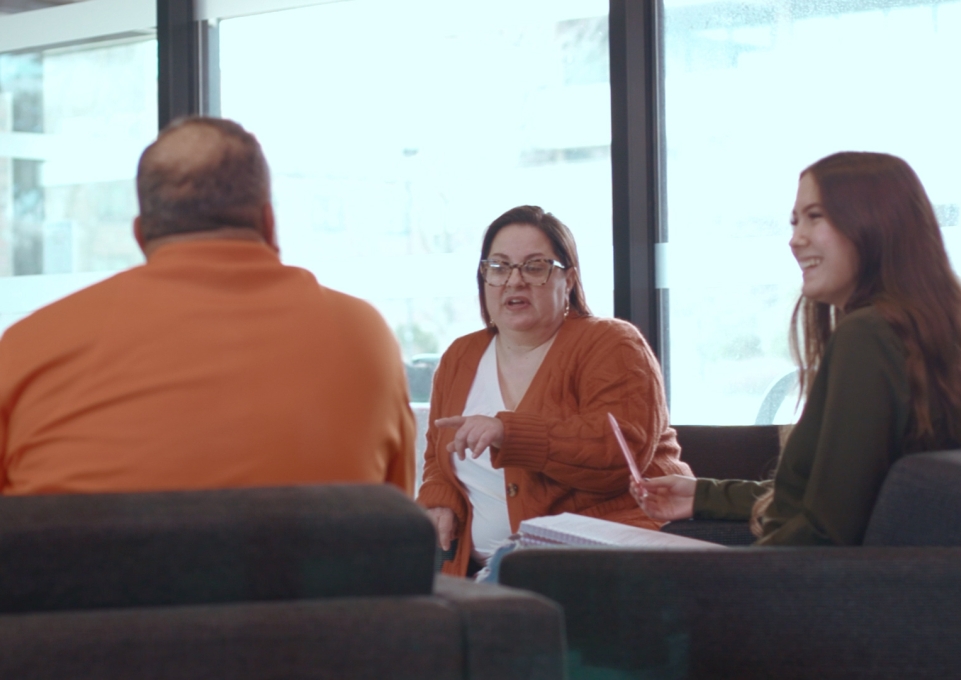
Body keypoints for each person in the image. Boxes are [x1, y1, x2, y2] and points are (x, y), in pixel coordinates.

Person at [0, 116, 415, 495]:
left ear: (141, 235)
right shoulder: (364, 337)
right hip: (302, 580)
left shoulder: (26, 348)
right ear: (269, 222)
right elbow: (393, 523)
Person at [633, 152, 961, 545]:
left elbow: (824, 532)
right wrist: (703, 496)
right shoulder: (925, 327)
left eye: (815, 216)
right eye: (794, 220)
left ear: (877, 222)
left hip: (816, 588)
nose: (795, 239)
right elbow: (835, 498)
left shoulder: (868, 335)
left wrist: (727, 581)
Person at [416, 205, 690, 576]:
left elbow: (617, 451)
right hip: (478, 569)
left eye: (534, 267)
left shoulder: (612, 343)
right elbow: (438, 453)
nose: (514, 281)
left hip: (596, 561)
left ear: (570, 279)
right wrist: (440, 499)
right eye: (499, 267)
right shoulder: (459, 356)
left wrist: (508, 432)